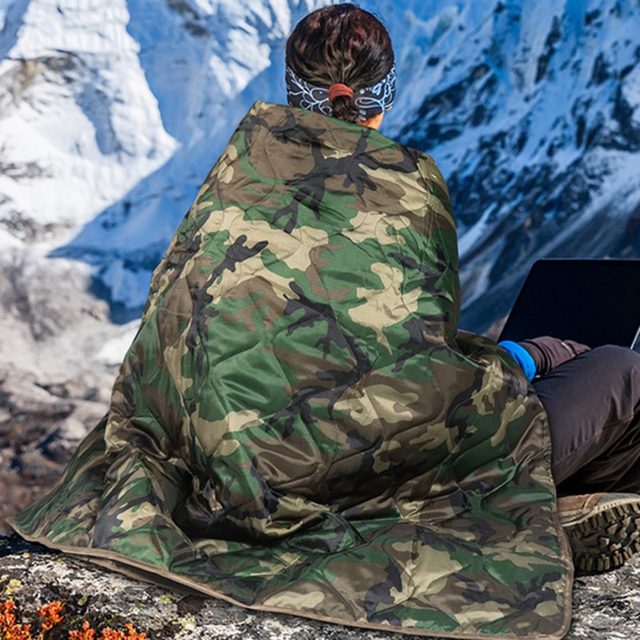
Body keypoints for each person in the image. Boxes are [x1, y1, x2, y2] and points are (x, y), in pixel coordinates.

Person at [4, 4, 636, 639]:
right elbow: (423, 370)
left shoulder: (234, 173)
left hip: (210, 472)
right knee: (619, 371)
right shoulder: (409, 185)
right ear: (384, 93)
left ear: (291, 86)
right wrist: (522, 360)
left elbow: (169, 341)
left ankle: (545, 512)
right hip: (345, 485)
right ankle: (538, 517)